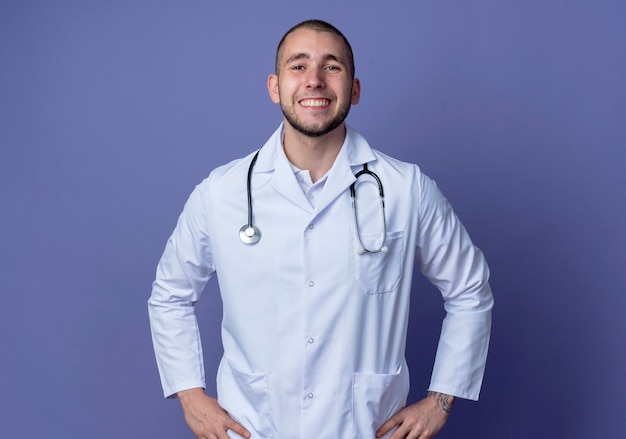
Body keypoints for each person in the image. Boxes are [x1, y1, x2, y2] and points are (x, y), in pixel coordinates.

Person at [148, 19, 493, 439]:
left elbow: (470, 290)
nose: (314, 80)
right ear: (274, 87)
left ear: (355, 88)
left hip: (365, 429)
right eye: (298, 66)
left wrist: (441, 400)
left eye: (332, 67)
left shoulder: (406, 189)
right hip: (254, 429)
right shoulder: (221, 193)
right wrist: (190, 395)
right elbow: (169, 296)